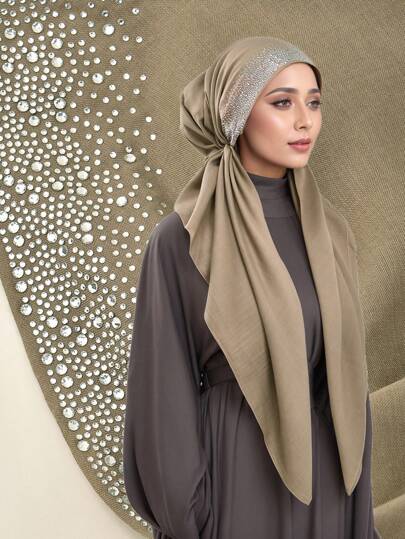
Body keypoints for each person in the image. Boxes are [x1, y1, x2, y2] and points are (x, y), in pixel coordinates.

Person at [123, 36, 381, 538]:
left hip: (329, 491)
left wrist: (356, 516)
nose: (305, 121)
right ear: (236, 113)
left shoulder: (332, 235)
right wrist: (194, 520)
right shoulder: (185, 238)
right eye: (282, 102)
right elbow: (162, 398)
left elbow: (350, 384)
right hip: (237, 486)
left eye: (313, 103)